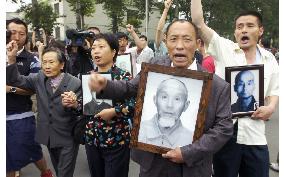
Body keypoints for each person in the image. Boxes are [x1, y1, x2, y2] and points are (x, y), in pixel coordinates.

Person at [88, 19, 233, 177]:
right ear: (165, 41)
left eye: (187, 39)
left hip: (193, 169)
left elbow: (224, 128)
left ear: (198, 43)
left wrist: (188, 152)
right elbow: (130, 88)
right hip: (153, 165)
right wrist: (105, 85)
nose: (179, 46)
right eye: (173, 39)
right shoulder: (154, 68)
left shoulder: (217, 86)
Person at [191, 1, 279, 177]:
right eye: (239, 27)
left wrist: (270, 108)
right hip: (226, 134)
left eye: (249, 26)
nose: (244, 30)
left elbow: (274, 91)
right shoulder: (224, 49)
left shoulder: (269, 59)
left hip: (255, 135)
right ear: (235, 32)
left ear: (260, 31)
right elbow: (198, 22)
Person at [6, 46, 82, 177]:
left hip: (67, 136)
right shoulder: (39, 77)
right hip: (48, 136)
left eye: (51, 62)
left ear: (62, 64)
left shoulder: (74, 82)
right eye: (44, 62)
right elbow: (16, 80)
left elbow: (81, 109)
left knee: (64, 173)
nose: (47, 66)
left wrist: (74, 104)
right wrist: (12, 59)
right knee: (59, 170)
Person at [77, 33, 135, 177]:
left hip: (116, 139)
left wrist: (115, 111)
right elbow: (83, 106)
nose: (96, 51)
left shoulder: (123, 76)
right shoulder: (87, 76)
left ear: (114, 52)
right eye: (94, 47)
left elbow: (135, 104)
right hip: (92, 138)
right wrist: (74, 103)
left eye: (101, 47)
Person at [6, 18, 53, 177]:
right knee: (8, 156)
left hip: (20, 116)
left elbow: (34, 88)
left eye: (22, 34)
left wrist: (10, 89)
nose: (17, 37)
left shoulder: (32, 59)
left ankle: (46, 172)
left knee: (32, 149)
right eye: (13, 33)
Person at [139, 78, 193, 149]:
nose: (169, 105)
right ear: (155, 100)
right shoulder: (139, 130)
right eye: (164, 97)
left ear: (186, 105)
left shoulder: (191, 140)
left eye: (177, 99)